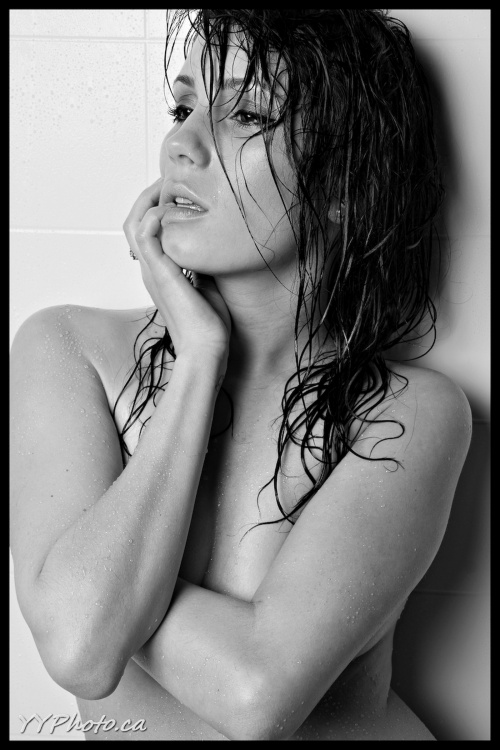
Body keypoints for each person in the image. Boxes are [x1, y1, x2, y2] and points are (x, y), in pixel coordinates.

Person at [10, 9, 472, 741]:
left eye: (247, 115)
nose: (180, 146)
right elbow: (80, 652)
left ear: (343, 181)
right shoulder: (66, 351)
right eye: (184, 109)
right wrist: (198, 356)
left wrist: (109, 593)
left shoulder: (408, 412)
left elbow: (258, 696)